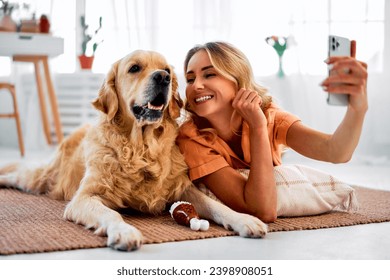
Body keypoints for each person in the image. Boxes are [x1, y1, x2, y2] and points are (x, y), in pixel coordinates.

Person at [176, 41, 368, 223]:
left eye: (209, 75)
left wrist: (357, 109)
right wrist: (258, 128)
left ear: (237, 79)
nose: (196, 86)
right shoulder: (191, 137)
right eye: (190, 79)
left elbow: (335, 151)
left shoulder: (269, 115)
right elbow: (263, 210)